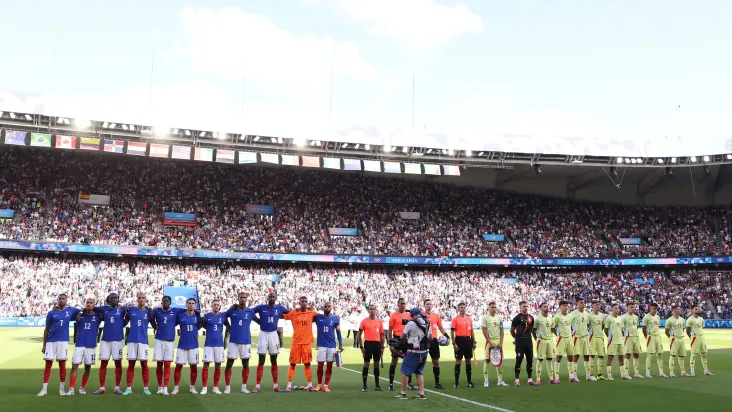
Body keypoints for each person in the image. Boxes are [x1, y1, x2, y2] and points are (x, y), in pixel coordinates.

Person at [39, 293, 81, 397]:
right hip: (50, 341)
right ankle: (44, 389)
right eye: (60, 299)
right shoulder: (51, 313)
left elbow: (80, 310)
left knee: (62, 364)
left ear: (66, 300)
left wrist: (78, 314)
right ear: (57, 300)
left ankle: (61, 389)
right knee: (48, 364)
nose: (61, 300)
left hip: (63, 341)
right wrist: (44, 344)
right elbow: (46, 329)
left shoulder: (70, 311)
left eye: (63, 299)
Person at [252, 292, 290, 392]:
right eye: (270, 297)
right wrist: (257, 321)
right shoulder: (261, 307)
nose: (272, 298)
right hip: (263, 334)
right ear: (267, 298)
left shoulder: (280, 308)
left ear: (276, 298)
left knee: (274, 360)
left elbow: (290, 314)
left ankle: (275, 386)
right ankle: (257, 386)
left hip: (273, 334)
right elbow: (250, 312)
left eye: (273, 297)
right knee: (261, 360)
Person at [393, 308, 431, 400]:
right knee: (419, 372)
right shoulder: (427, 322)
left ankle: (403, 393)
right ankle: (421, 394)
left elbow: (402, 336)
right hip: (424, 351)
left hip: (414, 351)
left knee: (405, 371)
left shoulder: (411, 323)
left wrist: (409, 340)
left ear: (412, 315)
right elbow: (430, 337)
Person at [122, 293, 156, 395]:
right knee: (131, 364)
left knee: (144, 364)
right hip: (132, 340)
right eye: (139, 298)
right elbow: (124, 322)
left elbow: (155, 325)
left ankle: (146, 388)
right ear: (137, 300)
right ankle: (128, 388)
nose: (141, 299)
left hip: (144, 341)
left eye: (143, 298)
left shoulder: (149, 312)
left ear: (146, 300)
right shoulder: (131, 310)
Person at [94, 293, 127, 395]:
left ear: (118, 300)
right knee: (103, 363)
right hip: (105, 340)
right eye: (111, 298)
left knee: (118, 364)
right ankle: (102, 387)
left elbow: (130, 308)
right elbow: (91, 308)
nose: (113, 299)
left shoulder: (122, 309)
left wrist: (123, 306)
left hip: (117, 340)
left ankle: (117, 387)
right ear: (108, 300)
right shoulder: (104, 309)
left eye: (115, 298)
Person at [282, 296, 318, 392]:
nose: (304, 303)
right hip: (296, 343)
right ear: (299, 302)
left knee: (307, 364)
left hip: (306, 343)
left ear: (307, 302)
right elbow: (283, 315)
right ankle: (289, 386)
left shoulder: (311, 313)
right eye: (302, 301)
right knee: (292, 364)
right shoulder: (294, 313)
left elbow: (320, 317)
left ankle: (310, 385)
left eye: (306, 301)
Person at [68, 298, 102, 396]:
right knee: (74, 366)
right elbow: (70, 309)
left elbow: (105, 310)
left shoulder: (98, 315)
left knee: (87, 368)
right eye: (87, 303)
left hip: (91, 346)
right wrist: (81, 311)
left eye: (91, 303)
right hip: (79, 344)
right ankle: (71, 389)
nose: (89, 304)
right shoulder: (78, 315)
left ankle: (82, 388)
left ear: (94, 304)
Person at [224, 292, 256, 394]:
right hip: (233, 341)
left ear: (247, 299)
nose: (242, 299)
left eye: (244, 297)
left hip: (246, 341)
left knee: (245, 364)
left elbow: (259, 320)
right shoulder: (232, 310)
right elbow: (223, 317)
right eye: (241, 297)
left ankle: (244, 387)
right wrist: (229, 327)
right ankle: (227, 387)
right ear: (238, 298)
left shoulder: (250, 311)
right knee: (229, 364)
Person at [153, 295, 181, 395]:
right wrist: (154, 326)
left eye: (167, 301)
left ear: (170, 302)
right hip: (159, 340)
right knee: (159, 364)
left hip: (170, 341)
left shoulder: (175, 311)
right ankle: (160, 387)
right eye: (164, 301)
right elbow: (151, 317)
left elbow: (187, 310)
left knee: (167, 364)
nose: (165, 302)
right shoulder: (156, 311)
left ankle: (165, 388)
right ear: (161, 302)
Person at [173, 298, 202, 394]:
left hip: (194, 345)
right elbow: (173, 323)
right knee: (178, 366)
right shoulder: (181, 315)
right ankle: (176, 387)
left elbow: (201, 324)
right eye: (189, 303)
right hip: (182, 345)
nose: (191, 305)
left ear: (195, 305)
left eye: (193, 303)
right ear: (186, 305)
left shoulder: (198, 316)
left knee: (193, 367)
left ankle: (192, 387)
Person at [314, 301, 343, 392]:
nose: (327, 308)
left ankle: (326, 385)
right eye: (325, 306)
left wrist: (341, 344)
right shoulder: (318, 317)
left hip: (332, 346)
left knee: (329, 366)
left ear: (331, 307)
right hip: (321, 346)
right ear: (323, 308)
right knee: (320, 366)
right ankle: (319, 384)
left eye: (328, 306)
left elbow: (338, 332)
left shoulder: (335, 319)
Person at [201, 299, 228, 395]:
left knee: (218, 366)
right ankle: (204, 387)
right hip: (208, 344)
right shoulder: (207, 316)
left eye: (217, 305)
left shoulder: (223, 316)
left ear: (219, 306)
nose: (216, 306)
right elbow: (202, 325)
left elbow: (228, 327)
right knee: (206, 365)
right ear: (211, 306)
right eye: (214, 305)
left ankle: (215, 387)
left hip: (219, 344)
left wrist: (226, 340)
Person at [423, 298, 449, 389]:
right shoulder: (421, 315)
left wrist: (447, 336)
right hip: (423, 341)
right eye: (427, 304)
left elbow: (441, 327)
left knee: (436, 362)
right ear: (424, 305)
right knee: (419, 362)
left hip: (434, 341)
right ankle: (411, 383)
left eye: (430, 304)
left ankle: (437, 383)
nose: (429, 306)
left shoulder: (436, 316)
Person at [357, 304, 384, 392]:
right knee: (366, 364)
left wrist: (382, 347)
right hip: (368, 344)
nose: (372, 311)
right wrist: (361, 346)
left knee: (376, 365)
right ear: (368, 311)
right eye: (370, 309)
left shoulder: (379, 321)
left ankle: (377, 385)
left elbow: (382, 335)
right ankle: (364, 386)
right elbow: (359, 334)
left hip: (377, 344)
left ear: (376, 310)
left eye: (373, 309)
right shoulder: (364, 321)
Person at [387, 298, 412, 391]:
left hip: (406, 339)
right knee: (394, 361)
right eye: (402, 303)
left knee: (409, 361)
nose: (403, 305)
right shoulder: (393, 315)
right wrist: (391, 343)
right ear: (398, 304)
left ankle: (409, 383)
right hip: (396, 339)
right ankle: (391, 383)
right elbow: (390, 330)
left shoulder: (408, 315)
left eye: (404, 303)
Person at [481, 301, 508, 387]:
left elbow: (502, 330)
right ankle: (486, 380)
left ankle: (500, 380)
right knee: (487, 360)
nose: (494, 309)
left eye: (495, 307)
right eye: (492, 307)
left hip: (498, 341)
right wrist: (489, 342)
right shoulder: (485, 318)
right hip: (490, 341)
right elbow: (484, 331)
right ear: (489, 308)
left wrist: (501, 342)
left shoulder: (499, 318)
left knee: (499, 360)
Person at [510, 300, 536, 386]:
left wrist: (533, 337)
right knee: (519, 359)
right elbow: (512, 330)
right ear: (520, 307)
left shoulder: (531, 318)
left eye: (526, 306)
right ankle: (517, 380)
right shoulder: (517, 318)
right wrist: (516, 338)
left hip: (528, 341)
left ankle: (530, 379)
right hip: (520, 341)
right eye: (524, 306)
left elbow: (531, 329)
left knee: (530, 360)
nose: (525, 308)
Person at [450, 302, 476, 388]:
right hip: (459, 340)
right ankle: (456, 382)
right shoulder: (455, 319)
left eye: (464, 307)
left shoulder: (469, 319)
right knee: (458, 361)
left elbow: (472, 331)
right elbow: (452, 331)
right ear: (458, 309)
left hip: (468, 340)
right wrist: (454, 343)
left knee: (468, 361)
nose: (463, 309)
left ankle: (469, 382)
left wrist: (474, 341)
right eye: (461, 307)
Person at [552, 300, 578, 383]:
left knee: (570, 357)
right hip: (561, 339)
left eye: (567, 305)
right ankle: (556, 377)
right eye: (564, 305)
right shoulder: (557, 317)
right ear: (560, 307)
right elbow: (553, 327)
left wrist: (573, 333)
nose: (566, 307)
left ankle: (571, 377)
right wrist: (558, 335)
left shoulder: (570, 316)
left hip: (569, 338)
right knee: (559, 357)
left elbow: (574, 325)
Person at [532, 302, 555, 385]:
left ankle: (551, 378)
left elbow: (552, 329)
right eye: (544, 306)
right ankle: (538, 379)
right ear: (541, 308)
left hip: (549, 340)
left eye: (547, 306)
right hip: (541, 340)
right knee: (540, 359)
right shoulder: (537, 318)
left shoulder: (550, 318)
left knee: (549, 359)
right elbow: (533, 330)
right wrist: (537, 338)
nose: (546, 308)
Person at [642, 302, 667, 378]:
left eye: (656, 308)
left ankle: (661, 372)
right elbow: (644, 329)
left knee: (659, 354)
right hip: (651, 336)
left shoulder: (657, 317)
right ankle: (647, 373)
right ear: (650, 308)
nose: (655, 310)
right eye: (654, 308)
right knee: (650, 354)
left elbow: (657, 326)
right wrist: (647, 337)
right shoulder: (646, 317)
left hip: (658, 336)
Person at [686, 306, 713, 376]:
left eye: (698, 309)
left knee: (704, 354)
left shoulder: (701, 319)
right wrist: (691, 337)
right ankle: (692, 371)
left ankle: (706, 370)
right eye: (696, 309)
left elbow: (701, 328)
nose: (697, 310)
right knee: (694, 354)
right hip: (695, 337)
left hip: (701, 337)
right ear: (692, 310)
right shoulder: (690, 319)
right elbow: (687, 330)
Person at [603, 303, 627, 380]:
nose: (617, 309)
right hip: (612, 341)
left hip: (620, 341)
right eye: (615, 308)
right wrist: (610, 338)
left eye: (618, 308)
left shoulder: (621, 318)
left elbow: (622, 330)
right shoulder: (609, 318)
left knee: (621, 357)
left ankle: (623, 374)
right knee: (610, 357)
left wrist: (622, 337)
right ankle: (609, 375)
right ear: (612, 309)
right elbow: (606, 330)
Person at [571, 297, 592, 381]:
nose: (583, 304)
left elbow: (587, 325)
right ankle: (574, 375)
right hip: (577, 337)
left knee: (587, 355)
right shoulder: (573, 314)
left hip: (585, 337)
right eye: (581, 302)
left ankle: (588, 375)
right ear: (577, 303)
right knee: (576, 355)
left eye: (584, 302)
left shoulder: (587, 314)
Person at [665, 305, 688, 378]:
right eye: (678, 309)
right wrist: (671, 337)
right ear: (674, 310)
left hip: (681, 338)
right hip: (674, 338)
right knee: (673, 355)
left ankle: (683, 371)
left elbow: (683, 329)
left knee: (681, 356)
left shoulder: (682, 320)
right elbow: (666, 331)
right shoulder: (669, 320)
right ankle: (671, 372)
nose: (680, 310)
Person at [622, 302, 643, 379]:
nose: (633, 308)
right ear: (627, 307)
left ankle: (636, 373)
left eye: (633, 307)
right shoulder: (624, 317)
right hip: (628, 337)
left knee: (636, 354)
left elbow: (636, 326)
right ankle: (625, 373)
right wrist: (625, 335)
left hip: (636, 337)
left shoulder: (636, 317)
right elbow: (621, 328)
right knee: (628, 354)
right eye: (631, 307)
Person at [588, 300, 607, 380]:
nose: (598, 306)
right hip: (592, 337)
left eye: (599, 304)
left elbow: (603, 326)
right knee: (591, 355)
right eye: (596, 304)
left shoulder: (602, 315)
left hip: (600, 337)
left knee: (601, 356)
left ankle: (600, 374)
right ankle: (591, 374)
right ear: (592, 306)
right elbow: (587, 326)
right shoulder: (589, 316)